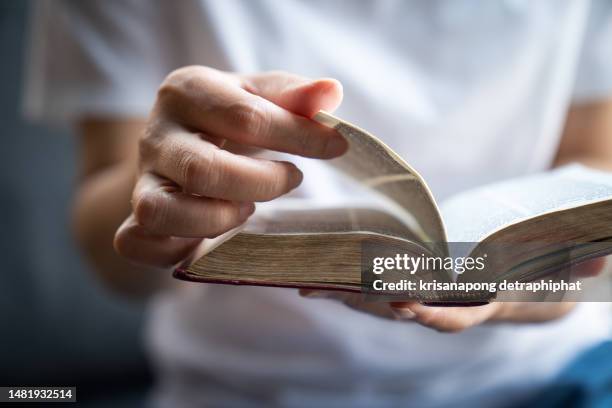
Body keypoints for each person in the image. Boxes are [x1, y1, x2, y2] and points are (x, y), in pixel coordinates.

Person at [25, 0, 612, 406]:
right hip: (247, 390)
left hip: (556, 375)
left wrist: (532, 287)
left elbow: (594, 178)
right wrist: (167, 206)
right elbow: (109, 254)